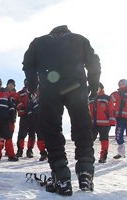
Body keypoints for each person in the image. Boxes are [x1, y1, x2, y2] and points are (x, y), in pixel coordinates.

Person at [22, 25, 101, 195]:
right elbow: (94, 61)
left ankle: (61, 175)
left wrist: (32, 86)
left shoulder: (38, 42)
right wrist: (94, 84)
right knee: (82, 126)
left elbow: (28, 64)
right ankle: (85, 172)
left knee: (51, 128)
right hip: (76, 86)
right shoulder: (80, 39)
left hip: (49, 88)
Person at [110, 79, 127, 163]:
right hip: (119, 119)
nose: (121, 85)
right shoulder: (117, 94)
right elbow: (110, 99)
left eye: (122, 84)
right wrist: (117, 93)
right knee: (118, 136)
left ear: (126, 84)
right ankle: (121, 153)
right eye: (119, 84)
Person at [89, 83, 116, 163]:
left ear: (101, 88)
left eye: (97, 87)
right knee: (90, 140)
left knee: (104, 140)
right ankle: (89, 156)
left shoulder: (107, 98)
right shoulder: (90, 98)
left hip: (105, 123)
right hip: (93, 123)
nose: (96, 89)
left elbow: (111, 109)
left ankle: (103, 157)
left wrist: (112, 121)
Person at [15, 79, 36, 158]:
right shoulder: (20, 93)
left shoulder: (35, 92)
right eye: (26, 81)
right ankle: (20, 150)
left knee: (32, 134)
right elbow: (16, 102)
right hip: (24, 116)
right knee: (21, 134)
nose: (27, 83)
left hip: (33, 116)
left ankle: (30, 150)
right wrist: (21, 106)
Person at [27, 88, 48, 161]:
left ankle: (52, 152)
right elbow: (30, 108)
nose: (37, 92)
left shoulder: (46, 96)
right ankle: (43, 153)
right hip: (37, 119)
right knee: (40, 136)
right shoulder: (33, 100)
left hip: (47, 118)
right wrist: (31, 116)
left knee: (49, 135)